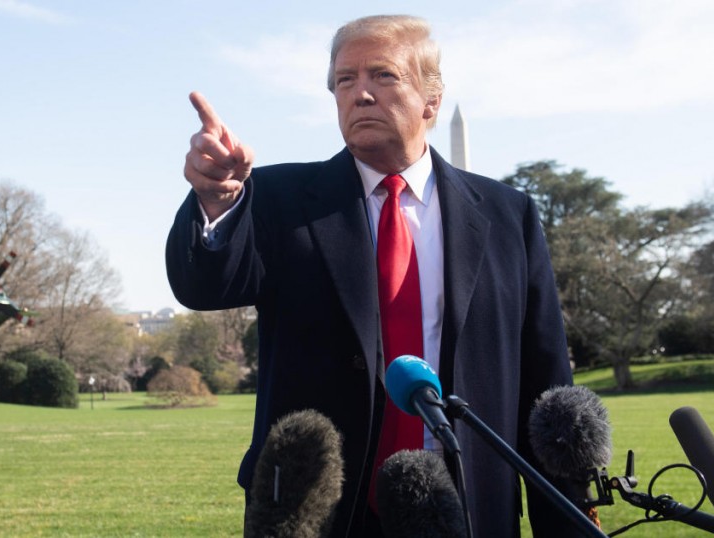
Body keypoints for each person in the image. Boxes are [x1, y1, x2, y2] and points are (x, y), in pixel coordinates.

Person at [166, 14, 575, 537]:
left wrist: (567, 512)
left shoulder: (506, 214)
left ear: (430, 101)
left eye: (382, 76)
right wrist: (215, 201)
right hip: (316, 510)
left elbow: (545, 381)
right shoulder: (276, 199)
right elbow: (203, 287)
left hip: (472, 504)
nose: (360, 94)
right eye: (344, 80)